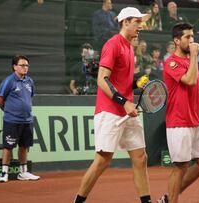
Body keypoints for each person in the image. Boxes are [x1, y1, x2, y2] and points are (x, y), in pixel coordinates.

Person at [74, 7, 152, 203]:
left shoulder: (129, 47)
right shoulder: (113, 44)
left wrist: (135, 83)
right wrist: (124, 102)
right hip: (110, 111)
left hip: (128, 111)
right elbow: (102, 79)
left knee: (140, 157)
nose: (140, 26)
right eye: (137, 22)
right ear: (125, 22)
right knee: (102, 160)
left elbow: (120, 81)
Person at [158, 22, 199, 203]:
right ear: (177, 40)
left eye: (193, 36)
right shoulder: (170, 62)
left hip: (196, 121)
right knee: (181, 167)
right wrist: (194, 55)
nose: (192, 40)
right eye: (187, 37)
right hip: (178, 123)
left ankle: (169, 197)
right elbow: (190, 80)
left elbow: (198, 90)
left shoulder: (190, 61)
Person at [0, 55, 40, 183]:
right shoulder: (9, 81)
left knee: (24, 146)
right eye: (22, 65)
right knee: (8, 146)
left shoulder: (30, 81)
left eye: (26, 65)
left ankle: (23, 172)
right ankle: (4, 173)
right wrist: (10, 111)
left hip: (27, 120)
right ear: (15, 67)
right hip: (11, 120)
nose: (25, 68)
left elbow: (29, 97)